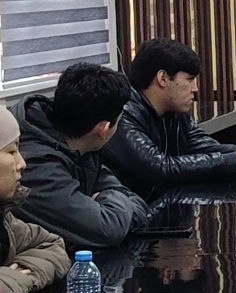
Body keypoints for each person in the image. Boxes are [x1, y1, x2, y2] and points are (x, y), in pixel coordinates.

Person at [102, 38, 236, 189]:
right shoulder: (122, 114)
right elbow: (159, 168)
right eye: (189, 80)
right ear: (163, 78)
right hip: (131, 213)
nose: (195, 89)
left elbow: (201, 144)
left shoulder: (175, 110)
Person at [12, 63, 152, 249]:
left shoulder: (83, 148)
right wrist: (111, 205)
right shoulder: (36, 166)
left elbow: (138, 204)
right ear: (102, 129)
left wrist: (105, 201)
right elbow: (108, 228)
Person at [0, 101, 70, 293]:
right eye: (11, 152)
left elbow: (51, 245)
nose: (22, 163)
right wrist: (3, 285)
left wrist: (17, 277)